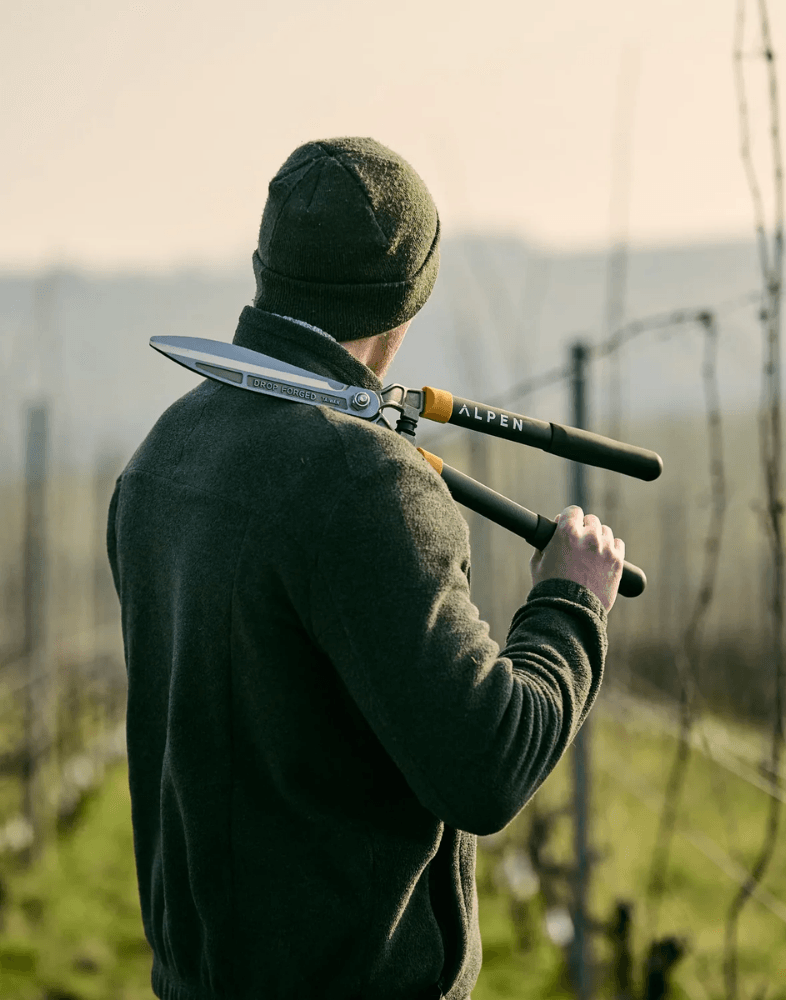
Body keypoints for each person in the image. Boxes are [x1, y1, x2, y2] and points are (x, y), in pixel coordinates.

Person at [107, 137, 625, 1000]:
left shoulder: (160, 458)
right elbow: (488, 764)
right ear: (408, 300)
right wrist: (571, 600)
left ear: (264, 269)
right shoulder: (364, 484)